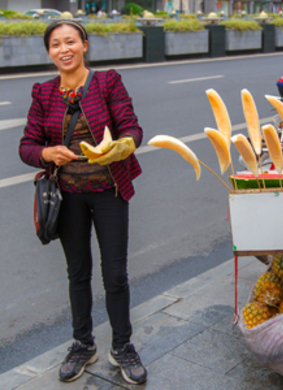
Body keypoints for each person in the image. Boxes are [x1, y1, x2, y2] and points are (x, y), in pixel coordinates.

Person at [19, 20, 147, 385]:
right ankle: (82, 343)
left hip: (109, 191)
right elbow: (26, 146)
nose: (64, 49)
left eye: (70, 41)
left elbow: (131, 127)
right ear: (49, 52)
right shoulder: (43, 92)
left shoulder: (107, 82)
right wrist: (46, 152)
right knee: (78, 273)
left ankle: (122, 346)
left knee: (116, 274)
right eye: (56, 44)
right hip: (67, 197)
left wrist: (123, 146)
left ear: (84, 45)